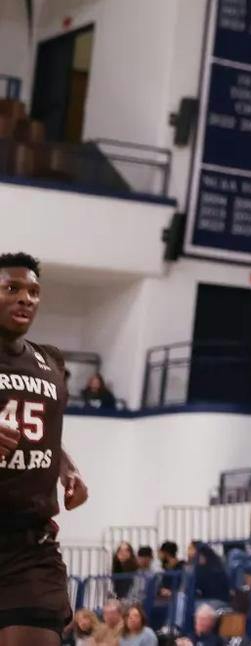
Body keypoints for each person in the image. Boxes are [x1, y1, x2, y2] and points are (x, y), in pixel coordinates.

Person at [0, 253, 88, 646]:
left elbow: (48, 431)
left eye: (34, 291)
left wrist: (67, 468)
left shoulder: (49, 361)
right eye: (12, 288)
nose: (26, 298)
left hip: (29, 548)